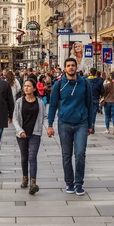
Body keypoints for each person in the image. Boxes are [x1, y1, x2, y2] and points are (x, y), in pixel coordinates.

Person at [47, 57, 93, 196]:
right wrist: (49, 125)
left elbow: (90, 104)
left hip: (81, 124)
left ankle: (79, 183)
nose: (71, 68)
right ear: (65, 68)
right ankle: (69, 183)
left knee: (79, 154)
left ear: (76, 67)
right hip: (64, 124)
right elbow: (53, 105)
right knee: (66, 155)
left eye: (73, 65)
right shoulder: (59, 85)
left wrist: (90, 124)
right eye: (68, 66)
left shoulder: (84, 83)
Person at [13, 78, 45, 195]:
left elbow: (43, 116)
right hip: (22, 134)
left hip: (35, 133)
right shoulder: (19, 102)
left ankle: (33, 183)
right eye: (25, 86)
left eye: (29, 86)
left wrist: (46, 128)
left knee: (32, 157)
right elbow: (15, 118)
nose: (26, 88)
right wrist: (20, 130)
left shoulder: (40, 102)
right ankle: (25, 177)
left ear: (34, 88)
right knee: (24, 157)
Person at [87, 67, 105, 134]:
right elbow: (102, 91)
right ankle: (92, 124)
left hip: (87, 99)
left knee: (87, 112)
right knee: (93, 113)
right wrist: (102, 97)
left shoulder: (86, 80)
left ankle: (88, 125)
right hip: (95, 99)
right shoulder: (99, 81)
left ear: (90, 72)